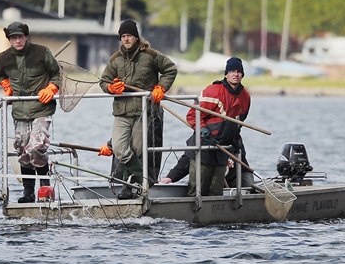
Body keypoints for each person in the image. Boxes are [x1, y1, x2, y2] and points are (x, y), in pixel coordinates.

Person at [99, 19, 177, 199]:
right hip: (121, 112)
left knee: (137, 149)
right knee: (119, 147)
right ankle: (141, 178)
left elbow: (170, 69)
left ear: (136, 37)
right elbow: (104, 81)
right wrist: (111, 88)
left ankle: (129, 186)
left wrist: (161, 88)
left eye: (129, 36)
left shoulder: (150, 55)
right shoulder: (115, 59)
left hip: (145, 111)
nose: (126, 39)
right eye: (123, 36)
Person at [0, 21, 61, 203]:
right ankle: (28, 191)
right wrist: (5, 84)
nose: (17, 41)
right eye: (13, 38)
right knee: (22, 149)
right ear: (9, 39)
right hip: (20, 110)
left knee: (36, 147)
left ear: (26, 36)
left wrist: (52, 88)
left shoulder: (42, 52)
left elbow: (57, 73)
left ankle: (45, 188)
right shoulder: (3, 58)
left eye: (20, 37)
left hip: (41, 108)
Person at [185, 57, 251, 196]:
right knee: (197, 189)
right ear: (226, 74)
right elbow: (192, 115)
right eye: (232, 71)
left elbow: (238, 124)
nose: (236, 74)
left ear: (242, 74)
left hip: (223, 150)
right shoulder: (213, 91)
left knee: (216, 190)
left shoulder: (245, 97)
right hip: (203, 147)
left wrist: (234, 143)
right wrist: (203, 131)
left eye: (239, 71)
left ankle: (214, 216)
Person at [160, 134, 254, 187]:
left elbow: (240, 153)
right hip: (212, 177)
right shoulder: (199, 136)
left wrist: (229, 160)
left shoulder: (230, 132)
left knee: (248, 185)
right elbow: (188, 158)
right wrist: (171, 177)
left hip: (236, 176)